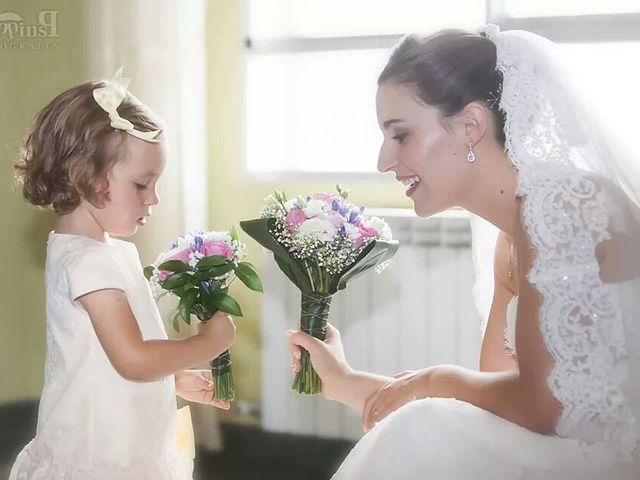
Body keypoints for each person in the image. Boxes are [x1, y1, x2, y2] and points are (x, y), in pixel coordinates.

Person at [287, 25, 640, 479]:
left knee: (419, 429)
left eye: (400, 135)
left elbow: (540, 408)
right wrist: (346, 382)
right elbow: (494, 411)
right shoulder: (509, 241)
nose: (383, 160)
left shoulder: (562, 205)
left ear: (470, 125)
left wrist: (436, 378)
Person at [9, 68, 236, 480]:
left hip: (117, 435)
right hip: (103, 459)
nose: (154, 198)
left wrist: (173, 379)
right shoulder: (89, 261)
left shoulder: (95, 251)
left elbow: (104, 356)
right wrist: (207, 342)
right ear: (89, 179)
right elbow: (133, 359)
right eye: (141, 184)